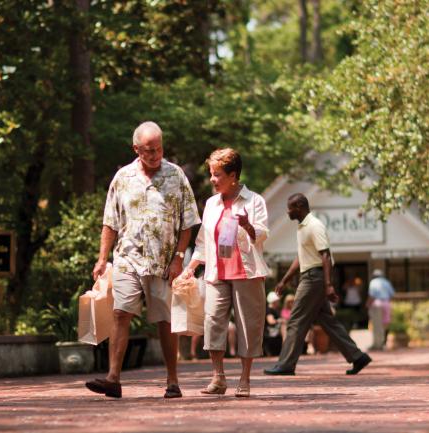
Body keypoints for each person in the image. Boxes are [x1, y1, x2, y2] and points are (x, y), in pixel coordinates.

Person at [85, 121, 200, 399]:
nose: (155, 154)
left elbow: (188, 223)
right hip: (128, 258)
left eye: (159, 148)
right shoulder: (122, 178)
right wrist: (102, 259)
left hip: (163, 262)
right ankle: (114, 378)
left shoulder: (176, 176)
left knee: (164, 320)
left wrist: (179, 258)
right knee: (120, 313)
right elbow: (110, 222)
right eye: (149, 150)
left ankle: (172, 380)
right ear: (136, 149)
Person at [183, 148, 269, 398]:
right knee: (213, 322)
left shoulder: (255, 201)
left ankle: (244, 379)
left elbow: (262, 235)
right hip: (216, 273)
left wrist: (248, 226)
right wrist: (190, 268)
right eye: (211, 173)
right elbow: (202, 242)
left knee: (248, 326)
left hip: (247, 273)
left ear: (233, 175)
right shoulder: (211, 204)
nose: (212, 179)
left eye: (217, 174)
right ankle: (218, 377)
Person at [264, 193, 372, 376]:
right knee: (328, 321)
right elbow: (301, 258)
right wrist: (284, 281)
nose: (287, 211)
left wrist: (328, 285)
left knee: (296, 320)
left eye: (290, 207)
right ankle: (357, 357)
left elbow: (326, 255)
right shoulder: (302, 227)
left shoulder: (314, 225)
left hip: (314, 277)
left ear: (299, 206)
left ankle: (286, 364)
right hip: (312, 276)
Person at [367, 269, 395, 350]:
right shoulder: (386, 282)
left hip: (377, 304)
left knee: (376, 325)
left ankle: (377, 344)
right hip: (386, 304)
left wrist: (367, 305)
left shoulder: (373, 282)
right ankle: (383, 343)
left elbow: (372, 295)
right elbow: (392, 294)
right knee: (384, 325)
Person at [264, 292, 283, 356]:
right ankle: (285, 346)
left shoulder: (276, 310)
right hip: (271, 331)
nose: (279, 302)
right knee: (284, 326)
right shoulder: (269, 310)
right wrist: (280, 321)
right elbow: (271, 321)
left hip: (276, 330)